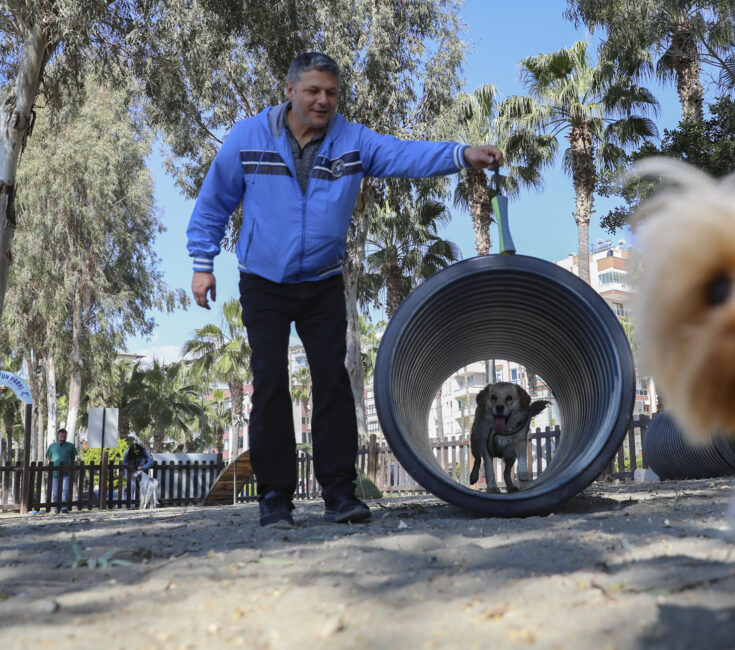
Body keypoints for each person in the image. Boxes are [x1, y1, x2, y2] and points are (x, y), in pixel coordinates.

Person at [187, 52, 503, 528]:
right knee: (270, 381)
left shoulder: (352, 141)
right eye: (313, 91)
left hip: (321, 281)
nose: (323, 100)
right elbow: (214, 202)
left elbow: (404, 154)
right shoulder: (248, 138)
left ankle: (339, 492)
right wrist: (202, 264)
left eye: (331, 93)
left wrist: (463, 155)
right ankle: (274, 496)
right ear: (289, 90)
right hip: (263, 283)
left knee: (333, 383)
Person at [44, 428, 78, 513]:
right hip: (55, 473)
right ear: (58, 436)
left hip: (66, 472)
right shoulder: (52, 446)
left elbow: (73, 457)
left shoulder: (70, 446)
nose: (62, 438)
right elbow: (48, 457)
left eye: (64, 436)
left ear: (66, 436)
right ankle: (55, 508)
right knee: (55, 491)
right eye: (61, 436)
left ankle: (64, 508)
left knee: (65, 490)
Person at [122, 440, 155, 505]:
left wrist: (143, 467)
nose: (137, 452)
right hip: (130, 472)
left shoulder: (144, 451)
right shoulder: (127, 452)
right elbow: (124, 463)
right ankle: (130, 504)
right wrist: (130, 467)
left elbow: (151, 461)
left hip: (141, 472)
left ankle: (139, 504)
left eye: (138, 451)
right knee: (132, 487)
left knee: (142, 488)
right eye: (135, 451)